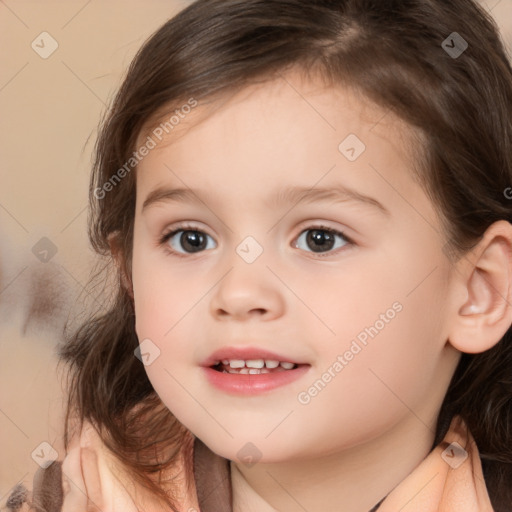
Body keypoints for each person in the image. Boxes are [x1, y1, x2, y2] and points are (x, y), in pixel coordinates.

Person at [4, 0, 512, 510]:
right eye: (190, 238)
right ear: (129, 273)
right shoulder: (75, 496)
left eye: (320, 238)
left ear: (478, 291)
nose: (240, 293)